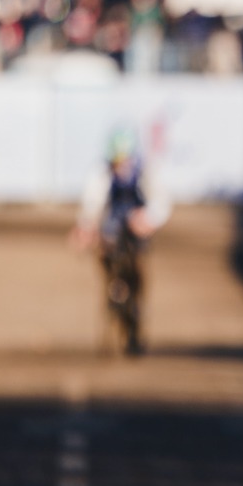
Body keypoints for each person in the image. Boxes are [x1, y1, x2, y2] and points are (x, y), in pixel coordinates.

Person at [73, 127, 170, 354]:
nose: (121, 164)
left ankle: (136, 311)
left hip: (137, 227)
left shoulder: (145, 172)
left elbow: (161, 201)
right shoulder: (101, 174)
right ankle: (113, 294)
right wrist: (86, 228)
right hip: (112, 227)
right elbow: (92, 203)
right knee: (107, 256)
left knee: (139, 268)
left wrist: (148, 219)